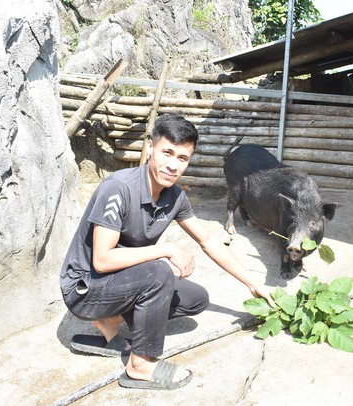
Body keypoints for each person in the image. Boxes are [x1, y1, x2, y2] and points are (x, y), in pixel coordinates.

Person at [60, 114, 273, 390]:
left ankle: (111, 319)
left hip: (121, 279)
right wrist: (166, 249)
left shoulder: (174, 196)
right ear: (151, 148)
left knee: (196, 299)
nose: (173, 166)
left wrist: (253, 284)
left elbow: (208, 241)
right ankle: (140, 365)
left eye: (182, 158)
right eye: (167, 153)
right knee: (159, 271)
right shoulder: (119, 188)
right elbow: (102, 260)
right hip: (85, 288)